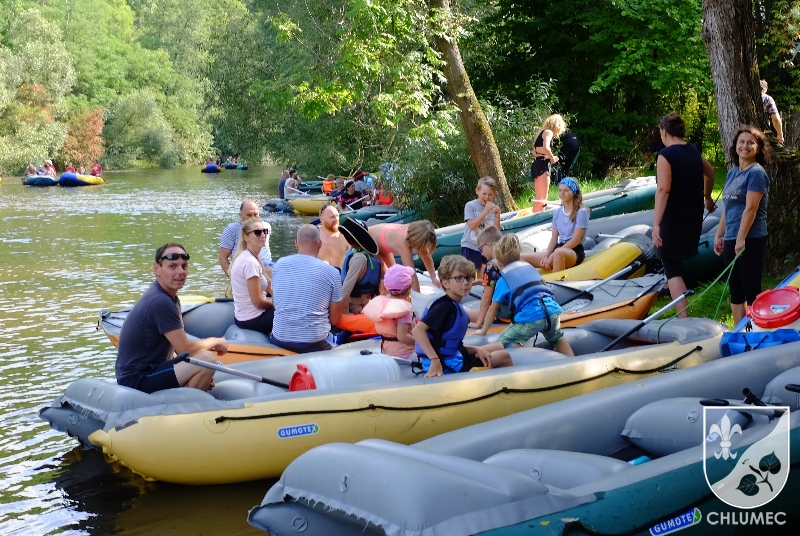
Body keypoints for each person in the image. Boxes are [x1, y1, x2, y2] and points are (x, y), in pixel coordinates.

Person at [115, 243, 227, 393]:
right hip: (138, 380)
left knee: (202, 364)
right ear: (157, 269)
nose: (180, 271)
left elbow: (177, 350)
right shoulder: (160, 301)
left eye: (184, 266)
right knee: (207, 359)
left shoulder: (168, 297)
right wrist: (216, 341)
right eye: (172, 266)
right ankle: (190, 403)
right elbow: (185, 349)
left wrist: (197, 374)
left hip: (149, 371)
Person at [652, 113, 716, 318]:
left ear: (664, 132)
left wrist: (656, 224)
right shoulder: (693, 150)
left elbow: (663, 190)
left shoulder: (665, 155)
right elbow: (711, 172)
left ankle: (683, 318)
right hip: (693, 215)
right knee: (676, 264)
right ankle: (683, 313)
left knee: (671, 268)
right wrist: (708, 197)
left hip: (673, 217)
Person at [475, 234, 574, 358]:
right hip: (552, 311)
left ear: (499, 263)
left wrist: (483, 330)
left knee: (504, 342)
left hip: (531, 317)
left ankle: (536, 360)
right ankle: (573, 359)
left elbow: (492, 310)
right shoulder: (529, 267)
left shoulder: (503, 279)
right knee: (557, 338)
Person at [413, 255, 510, 377]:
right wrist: (435, 360)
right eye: (458, 278)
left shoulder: (452, 304)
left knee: (497, 346)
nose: (465, 282)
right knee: (504, 356)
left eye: (468, 277)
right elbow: (417, 330)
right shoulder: (444, 306)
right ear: (445, 283)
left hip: (451, 356)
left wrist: (476, 349)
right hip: (448, 365)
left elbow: (446, 343)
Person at [714, 125, 771, 325]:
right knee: (736, 290)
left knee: (751, 289)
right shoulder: (732, 173)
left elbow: (751, 208)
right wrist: (719, 235)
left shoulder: (756, 173)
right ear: (736, 146)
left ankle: (756, 331)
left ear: (758, 148)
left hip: (750, 239)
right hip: (732, 238)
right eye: (741, 142)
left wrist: (741, 238)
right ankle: (739, 332)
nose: (745, 146)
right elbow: (728, 207)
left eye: (750, 142)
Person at [270, 225, 343, 353]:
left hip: (280, 339)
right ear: (320, 244)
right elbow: (335, 319)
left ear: (296, 244)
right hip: (314, 343)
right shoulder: (332, 272)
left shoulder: (279, 264)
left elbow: (276, 303)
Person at [526, 177, 589, 272]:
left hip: (574, 251)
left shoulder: (581, 212)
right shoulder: (557, 212)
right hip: (559, 248)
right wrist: (547, 255)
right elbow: (554, 239)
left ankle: (556, 280)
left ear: (574, 192)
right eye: (560, 190)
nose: (562, 193)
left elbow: (575, 240)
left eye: (566, 190)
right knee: (522, 257)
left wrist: (553, 255)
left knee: (558, 252)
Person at [229, 219, 275, 336]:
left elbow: (267, 286)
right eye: (257, 232)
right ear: (246, 237)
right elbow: (258, 302)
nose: (263, 235)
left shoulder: (249, 256)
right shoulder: (249, 262)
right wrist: (277, 303)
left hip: (246, 316)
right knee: (295, 312)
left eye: (265, 231)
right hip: (252, 319)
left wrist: (281, 297)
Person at [368, 220, 440, 291]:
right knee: (386, 277)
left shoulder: (413, 232)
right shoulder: (403, 241)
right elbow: (411, 273)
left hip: (382, 243)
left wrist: (433, 277)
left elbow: (426, 256)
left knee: (394, 274)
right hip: (369, 241)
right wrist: (418, 294)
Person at [362, 264, 416, 359]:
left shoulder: (382, 304)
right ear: (408, 288)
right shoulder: (404, 309)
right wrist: (421, 342)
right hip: (404, 353)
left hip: (386, 349)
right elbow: (402, 336)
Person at [219, 200, 273, 277]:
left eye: (255, 214)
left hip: (267, 266)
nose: (253, 218)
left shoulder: (266, 227)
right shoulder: (232, 229)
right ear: (241, 215)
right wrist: (233, 277)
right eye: (249, 215)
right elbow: (222, 257)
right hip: (244, 268)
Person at [461, 176, 502, 272]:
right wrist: (485, 211)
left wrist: (497, 217)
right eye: (484, 193)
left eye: (490, 194)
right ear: (477, 191)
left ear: (494, 194)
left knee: (484, 273)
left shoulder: (493, 209)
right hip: (470, 246)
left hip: (486, 248)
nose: (487, 197)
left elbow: (495, 233)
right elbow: (472, 226)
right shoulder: (470, 205)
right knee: (469, 273)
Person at [468, 225, 504, 328]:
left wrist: (478, 323)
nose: (482, 253)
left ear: (489, 245)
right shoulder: (506, 260)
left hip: (501, 315)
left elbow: (486, 297)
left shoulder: (491, 266)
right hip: (514, 310)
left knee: (462, 313)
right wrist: (481, 281)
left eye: (481, 249)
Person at [531, 114, 567, 212]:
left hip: (537, 164)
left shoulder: (541, 133)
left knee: (539, 197)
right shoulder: (548, 132)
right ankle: (540, 217)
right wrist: (552, 158)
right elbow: (546, 148)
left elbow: (534, 152)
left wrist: (548, 156)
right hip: (543, 164)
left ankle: (534, 215)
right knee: (543, 197)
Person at [760, 80, 784, 145]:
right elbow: (776, 119)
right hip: (762, 134)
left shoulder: (744, 97)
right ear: (765, 89)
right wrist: (780, 134)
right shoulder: (767, 99)